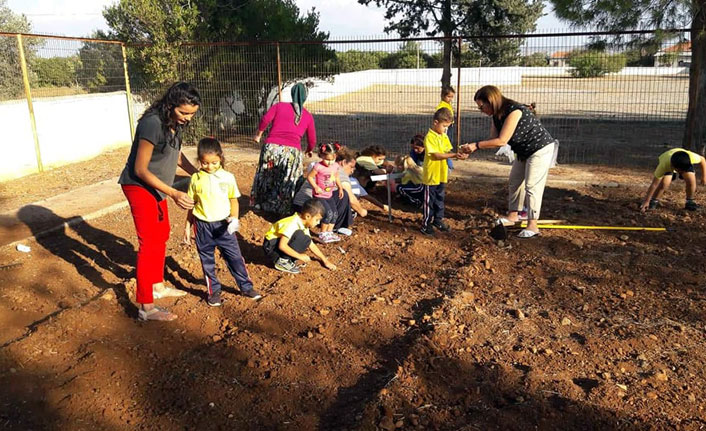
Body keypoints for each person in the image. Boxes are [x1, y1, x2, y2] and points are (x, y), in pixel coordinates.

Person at [118, 82, 201, 321]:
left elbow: (176, 154)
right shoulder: (152, 123)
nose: (187, 118)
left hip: (157, 188)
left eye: (192, 114)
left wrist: (196, 172)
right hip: (139, 186)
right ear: (170, 105)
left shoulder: (176, 123)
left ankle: (157, 284)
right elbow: (141, 169)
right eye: (183, 112)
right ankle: (145, 306)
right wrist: (174, 193)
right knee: (149, 241)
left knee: (161, 233)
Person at [461, 85, 556, 238]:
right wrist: (470, 149)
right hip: (523, 150)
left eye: (482, 106)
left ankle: (533, 226)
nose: (481, 110)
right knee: (515, 181)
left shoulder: (514, 111)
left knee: (532, 185)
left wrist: (475, 146)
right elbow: (493, 139)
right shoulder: (496, 115)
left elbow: (501, 140)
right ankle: (513, 216)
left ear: (491, 101)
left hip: (539, 148)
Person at [183, 138, 261, 306]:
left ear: (221, 158)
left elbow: (233, 200)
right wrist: (187, 227)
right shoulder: (196, 178)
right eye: (205, 163)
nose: (210, 167)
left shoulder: (228, 177)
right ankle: (214, 291)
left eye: (214, 163)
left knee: (235, 258)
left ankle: (246, 287)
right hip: (202, 226)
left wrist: (234, 218)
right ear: (199, 161)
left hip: (223, 226)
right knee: (207, 261)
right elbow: (192, 204)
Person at [251, 83, 317, 215]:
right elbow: (312, 139)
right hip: (292, 152)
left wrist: (259, 134)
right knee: (287, 179)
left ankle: (260, 204)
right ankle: (283, 209)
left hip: (272, 148)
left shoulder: (279, 106)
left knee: (266, 175)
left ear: (292, 94)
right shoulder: (308, 116)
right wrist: (309, 149)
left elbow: (265, 119)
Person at [420, 108, 468, 236]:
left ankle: (438, 220)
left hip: (441, 174)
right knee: (429, 201)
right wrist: (454, 155)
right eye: (444, 126)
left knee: (439, 198)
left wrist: (461, 151)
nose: (445, 129)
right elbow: (436, 155)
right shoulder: (430, 137)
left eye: (447, 127)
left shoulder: (443, 136)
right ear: (435, 122)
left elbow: (447, 150)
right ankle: (426, 224)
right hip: (431, 175)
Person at [263, 199, 337, 274]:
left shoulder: (303, 224)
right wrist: (299, 256)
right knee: (300, 236)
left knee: (306, 239)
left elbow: (311, 244)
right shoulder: (292, 224)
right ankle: (282, 261)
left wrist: (325, 261)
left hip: (276, 244)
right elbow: (282, 246)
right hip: (270, 246)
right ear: (307, 216)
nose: (318, 223)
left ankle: (287, 258)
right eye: (317, 220)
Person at [639, 148, 706, 212]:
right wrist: (646, 201)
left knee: (691, 180)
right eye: (680, 171)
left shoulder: (691, 158)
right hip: (668, 160)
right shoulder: (664, 165)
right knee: (664, 184)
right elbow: (654, 184)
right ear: (674, 168)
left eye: (683, 171)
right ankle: (653, 201)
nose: (681, 173)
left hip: (682, 160)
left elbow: (703, 160)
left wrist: (704, 177)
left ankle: (690, 202)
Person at [306, 143, 344, 243]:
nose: (330, 162)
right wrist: (315, 187)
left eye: (332, 159)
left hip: (329, 194)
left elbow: (336, 177)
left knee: (335, 213)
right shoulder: (318, 166)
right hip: (319, 195)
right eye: (327, 159)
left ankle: (329, 232)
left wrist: (340, 188)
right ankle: (323, 234)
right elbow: (309, 177)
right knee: (328, 213)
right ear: (321, 156)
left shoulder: (335, 166)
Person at [435, 85, 456, 170]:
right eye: (448, 96)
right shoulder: (442, 106)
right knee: (445, 146)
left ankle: (448, 164)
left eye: (452, 97)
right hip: (446, 128)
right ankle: (449, 165)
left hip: (449, 126)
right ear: (443, 96)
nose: (450, 99)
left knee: (447, 145)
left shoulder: (447, 104)